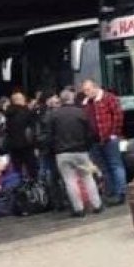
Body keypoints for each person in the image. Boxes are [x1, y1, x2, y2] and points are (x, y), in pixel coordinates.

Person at [44, 89, 103, 217]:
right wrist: (87, 146)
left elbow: (49, 135)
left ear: (61, 100)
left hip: (62, 153)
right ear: (72, 99)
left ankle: (78, 209)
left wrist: (53, 149)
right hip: (81, 151)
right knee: (87, 178)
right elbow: (90, 132)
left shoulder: (54, 115)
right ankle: (97, 205)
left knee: (70, 181)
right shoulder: (81, 113)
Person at [82, 79, 127, 205]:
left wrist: (114, 133)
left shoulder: (108, 98)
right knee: (103, 168)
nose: (86, 92)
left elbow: (118, 115)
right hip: (94, 141)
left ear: (95, 87)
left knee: (115, 165)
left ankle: (120, 192)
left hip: (109, 138)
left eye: (88, 89)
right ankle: (111, 192)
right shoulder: (85, 104)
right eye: (85, 90)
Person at [5, 92, 38, 179]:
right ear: (19, 100)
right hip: (27, 145)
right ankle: (33, 187)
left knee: (17, 170)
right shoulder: (26, 112)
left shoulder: (8, 114)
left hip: (13, 146)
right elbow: (32, 129)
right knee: (32, 169)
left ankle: (18, 187)